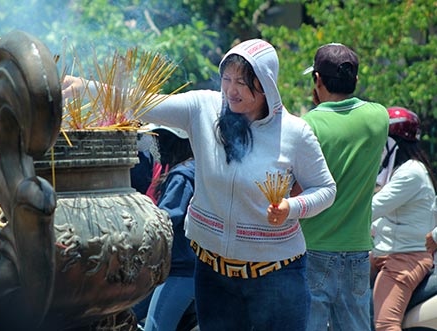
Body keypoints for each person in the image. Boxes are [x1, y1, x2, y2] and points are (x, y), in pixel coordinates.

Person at [63, 38, 337, 331]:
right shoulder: (203, 108)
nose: (231, 90)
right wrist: (87, 86)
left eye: (242, 83)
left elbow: (325, 190)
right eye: (227, 79)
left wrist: (291, 207)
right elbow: (144, 100)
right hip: (212, 273)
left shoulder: (295, 133)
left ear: (266, 83)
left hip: (275, 277)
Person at [299, 43, 389, 331]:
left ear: (317, 80)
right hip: (357, 253)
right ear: (356, 80)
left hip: (312, 249)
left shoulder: (307, 125)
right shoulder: (379, 117)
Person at [370, 107, 436, 331]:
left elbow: (372, 208)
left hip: (405, 257)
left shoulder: (410, 173)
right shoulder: (398, 171)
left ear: (392, 142)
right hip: (387, 251)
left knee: (385, 325)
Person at [132, 124, 196, 331]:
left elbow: (166, 218)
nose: (156, 146)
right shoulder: (196, 168)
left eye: (160, 140)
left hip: (181, 272)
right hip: (191, 269)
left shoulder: (181, 175)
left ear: (173, 141)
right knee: (127, 315)